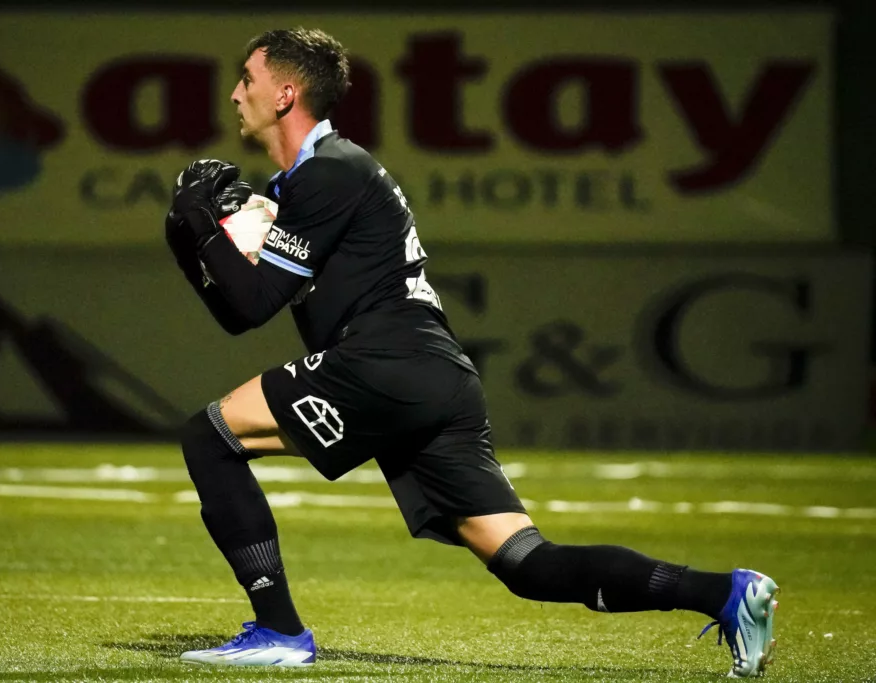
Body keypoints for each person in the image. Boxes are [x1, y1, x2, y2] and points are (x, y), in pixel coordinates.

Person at [163, 27, 779, 677]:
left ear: (286, 93)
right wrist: (193, 238)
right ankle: (724, 591)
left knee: (211, 437)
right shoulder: (312, 181)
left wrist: (204, 224)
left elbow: (256, 300)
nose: (235, 93)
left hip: (388, 358)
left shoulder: (330, 171)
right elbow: (238, 310)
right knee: (526, 562)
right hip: (432, 372)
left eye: (248, 78)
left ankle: (278, 629)